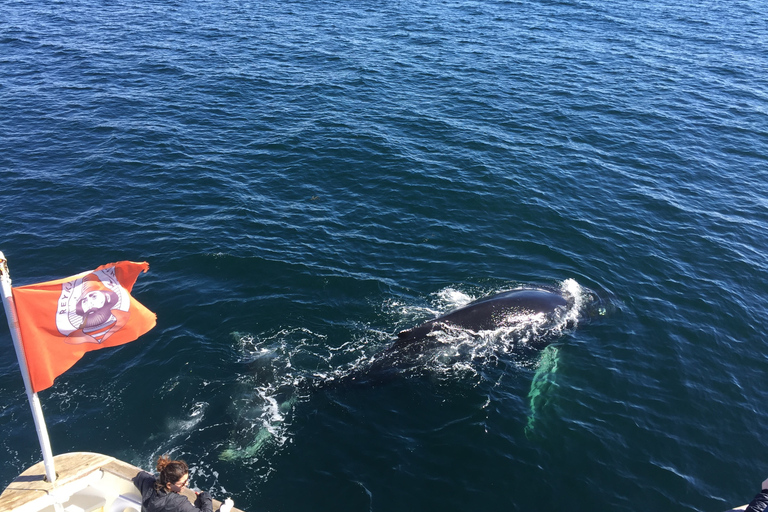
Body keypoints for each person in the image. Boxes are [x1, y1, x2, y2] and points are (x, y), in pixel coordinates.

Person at [133, 455, 213, 512]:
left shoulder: (147, 481)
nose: (187, 484)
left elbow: (140, 475)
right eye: (182, 483)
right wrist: (206, 497)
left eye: (187, 480)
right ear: (169, 485)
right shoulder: (178, 502)